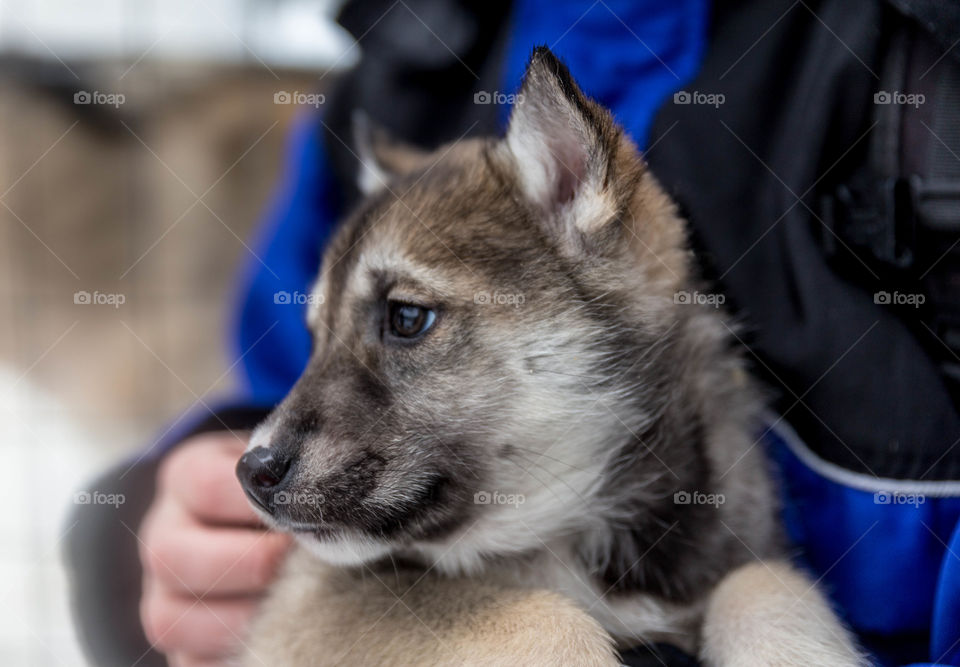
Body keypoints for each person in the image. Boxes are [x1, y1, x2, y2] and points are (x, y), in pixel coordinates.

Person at [66, 1, 960, 666]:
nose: (269, 452)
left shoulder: (907, 55)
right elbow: (266, 398)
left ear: (575, 183)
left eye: (407, 319)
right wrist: (172, 514)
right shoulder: (410, 50)